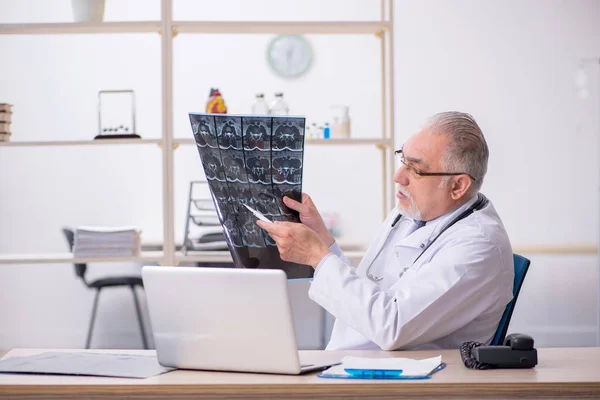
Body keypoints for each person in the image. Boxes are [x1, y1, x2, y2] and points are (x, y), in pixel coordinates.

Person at [257, 111, 514, 351]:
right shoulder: (413, 211)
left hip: (404, 384)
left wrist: (317, 256)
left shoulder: (478, 246)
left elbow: (391, 326)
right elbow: (367, 292)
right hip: (357, 366)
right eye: (403, 159)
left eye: (416, 168)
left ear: (458, 186)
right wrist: (321, 239)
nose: (398, 176)